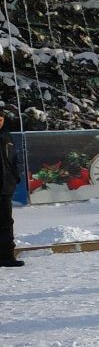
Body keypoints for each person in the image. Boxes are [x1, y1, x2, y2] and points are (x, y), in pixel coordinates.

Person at [0, 108, 22, 267]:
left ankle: (7, 256)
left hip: (5, 187)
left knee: (6, 222)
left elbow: (15, 159)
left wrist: (15, 177)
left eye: (0, 119)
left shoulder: (7, 137)